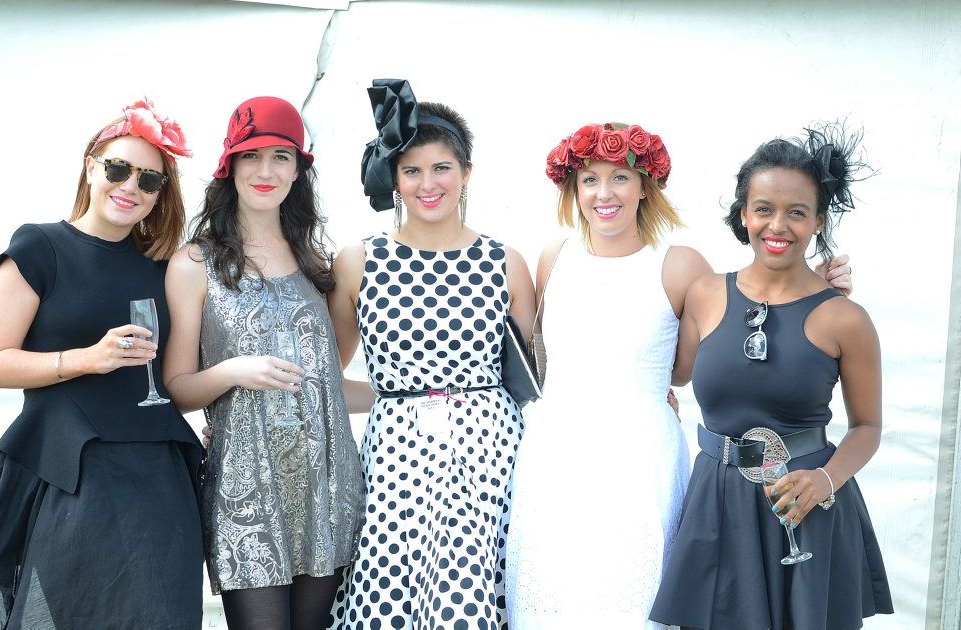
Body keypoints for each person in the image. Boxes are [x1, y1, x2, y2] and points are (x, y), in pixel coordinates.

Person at [503, 122, 853, 628]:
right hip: (554, 455)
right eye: (590, 179)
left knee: (634, 597)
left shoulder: (678, 264)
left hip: (638, 457)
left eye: (620, 177)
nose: (605, 194)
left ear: (646, 185)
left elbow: (732, 327)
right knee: (550, 596)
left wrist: (813, 288)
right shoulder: (552, 257)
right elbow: (537, 358)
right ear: (572, 189)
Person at [0, 99, 204, 628]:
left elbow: (176, 377)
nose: (130, 187)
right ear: (91, 167)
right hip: (68, 474)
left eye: (149, 180)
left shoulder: (164, 268)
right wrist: (87, 359)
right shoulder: (40, 246)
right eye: (119, 169)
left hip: (157, 480)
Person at [649, 125, 893, 629]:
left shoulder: (846, 319)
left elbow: (867, 427)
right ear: (744, 214)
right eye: (763, 208)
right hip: (716, 504)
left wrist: (826, 478)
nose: (777, 225)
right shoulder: (704, 294)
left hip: (804, 506)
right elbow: (670, 373)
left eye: (796, 212)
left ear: (819, 221)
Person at [325, 79, 535, 629]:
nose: (428, 184)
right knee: (387, 586)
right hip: (396, 452)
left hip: (490, 451)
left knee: (472, 593)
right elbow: (326, 377)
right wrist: (395, 396)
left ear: (466, 172)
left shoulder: (505, 260)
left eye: (442, 167)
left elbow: (537, 379)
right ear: (393, 177)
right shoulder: (359, 261)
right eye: (411, 170)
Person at [163, 96, 365, 630]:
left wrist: (420, 395)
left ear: (299, 170)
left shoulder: (316, 264)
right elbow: (177, 387)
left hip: (327, 482)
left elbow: (329, 384)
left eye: (281, 156)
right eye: (251, 156)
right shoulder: (194, 263)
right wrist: (233, 371)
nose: (266, 170)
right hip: (245, 486)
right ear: (229, 167)